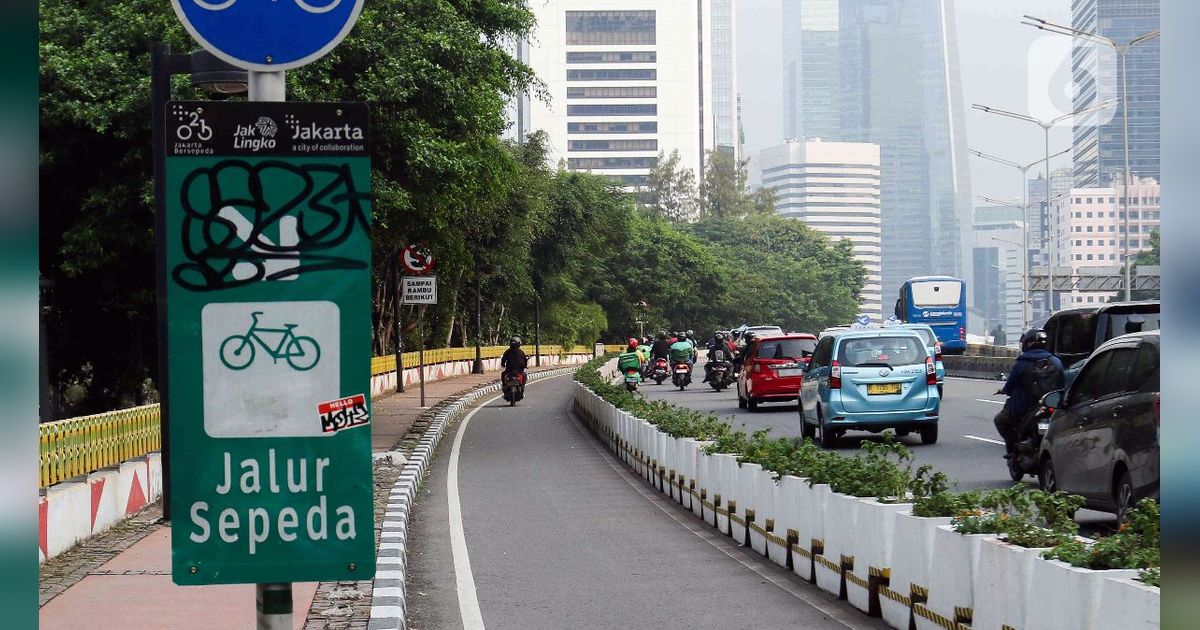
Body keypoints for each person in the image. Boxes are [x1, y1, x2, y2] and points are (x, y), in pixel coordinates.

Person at [994, 328, 1064, 455]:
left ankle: (1014, 448)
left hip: (1024, 407)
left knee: (1000, 420)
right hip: (1050, 405)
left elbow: (1010, 385)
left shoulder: (1021, 363)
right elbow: (1062, 384)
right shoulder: (1056, 362)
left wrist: (1004, 390)